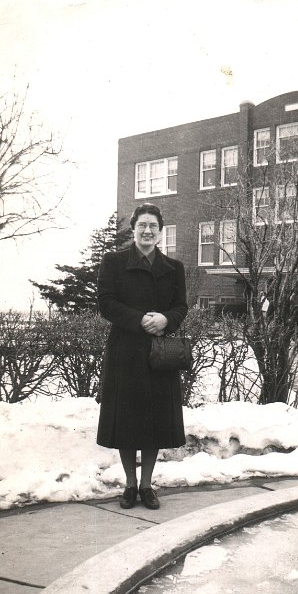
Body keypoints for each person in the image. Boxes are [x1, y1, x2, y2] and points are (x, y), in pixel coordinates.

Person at [96, 203, 188, 511]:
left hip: (159, 356)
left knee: (154, 423)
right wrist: (140, 321)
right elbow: (106, 303)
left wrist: (165, 320)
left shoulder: (174, 268)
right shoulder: (114, 262)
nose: (147, 230)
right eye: (142, 225)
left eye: (153, 226)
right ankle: (129, 485)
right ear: (133, 229)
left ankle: (147, 485)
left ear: (160, 232)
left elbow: (181, 306)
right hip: (125, 351)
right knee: (126, 422)